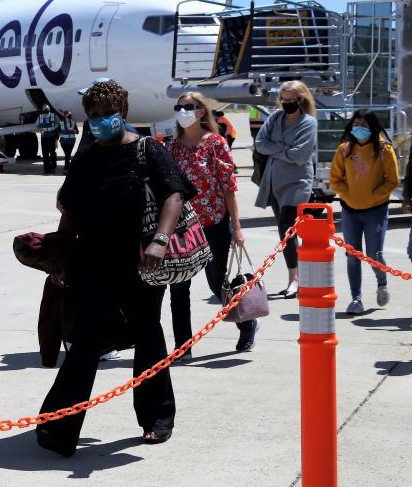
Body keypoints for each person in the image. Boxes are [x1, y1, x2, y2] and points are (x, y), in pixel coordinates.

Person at [36, 79, 195, 456]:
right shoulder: (86, 158)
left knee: (147, 334)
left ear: (121, 114)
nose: (99, 121)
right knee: (85, 341)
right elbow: (70, 212)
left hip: (141, 262)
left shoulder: (147, 150)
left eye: (106, 114)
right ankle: (59, 427)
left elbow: (174, 193)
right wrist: (60, 259)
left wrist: (160, 239)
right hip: (92, 263)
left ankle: (157, 417)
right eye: (93, 115)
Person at [167, 92, 256, 353]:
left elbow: (229, 187)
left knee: (217, 281)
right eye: (179, 107)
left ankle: (246, 323)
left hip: (213, 223)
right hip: (181, 227)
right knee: (178, 286)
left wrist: (237, 227)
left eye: (188, 107)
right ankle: (183, 346)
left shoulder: (216, 143)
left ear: (201, 111)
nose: (182, 111)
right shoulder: (172, 147)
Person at [329, 109, 398, 314]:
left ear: (373, 127)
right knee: (352, 255)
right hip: (350, 210)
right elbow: (335, 179)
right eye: (356, 124)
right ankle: (356, 298)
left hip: (375, 211)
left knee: (373, 254)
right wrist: (347, 196)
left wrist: (375, 196)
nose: (360, 128)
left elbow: (392, 180)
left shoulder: (384, 150)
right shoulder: (344, 149)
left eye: (365, 125)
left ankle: (382, 282)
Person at [254, 81, 318, 299]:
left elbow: (299, 156)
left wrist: (275, 150)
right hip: (273, 181)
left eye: (292, 100)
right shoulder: (274, 118)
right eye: (285, 100)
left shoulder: (309, 123)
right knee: (285, 234)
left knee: (287, 228)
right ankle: (297, 274)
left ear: (302, 100)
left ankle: (295, 280)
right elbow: (260, 143)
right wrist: (284, 149)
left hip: (297, 183)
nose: (288, 104)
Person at [37, 104, 60, 174]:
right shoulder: (40, 117)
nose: (46, 110)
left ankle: (53, 167)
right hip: (44, 138)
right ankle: (46, 169)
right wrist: (40, 129)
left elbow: (60, 123)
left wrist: (56, 129)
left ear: (49, 109)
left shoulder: (54, 116)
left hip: (52, 137)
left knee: (52, 153)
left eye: (47, 108)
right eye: (44, 109)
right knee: (45, 154)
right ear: (42, 110)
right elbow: (36, 125)